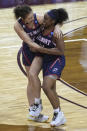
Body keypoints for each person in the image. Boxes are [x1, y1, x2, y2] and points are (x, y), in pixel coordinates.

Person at [13, 4, 62, 122]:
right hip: (30, 50)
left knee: (42, 79)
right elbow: (29, 42)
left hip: (41, 47)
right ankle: (34, 109)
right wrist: (40, 49)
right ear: (22, 19)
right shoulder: (18, 26)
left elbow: (53, 22)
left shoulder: (39, 18)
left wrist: (57, 28)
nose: (31, 19)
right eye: (29, 18)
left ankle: (37, 106)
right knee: (31, 78)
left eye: (31, 16)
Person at [28, 8, 68, 126]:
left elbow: (61, 51)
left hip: (56, 60)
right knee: (51, 89)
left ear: (53, 21)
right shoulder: (42, 27)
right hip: (44, 58)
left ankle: (58, 113)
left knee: (46, 86)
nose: (43, 20)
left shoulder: (56, 34)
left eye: (46, 19)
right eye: (44, 17)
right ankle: (58, 114)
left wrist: (42, 49)